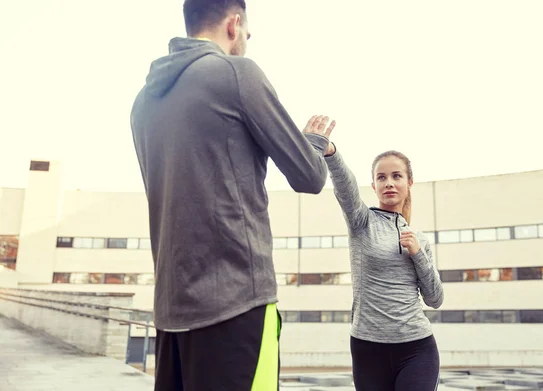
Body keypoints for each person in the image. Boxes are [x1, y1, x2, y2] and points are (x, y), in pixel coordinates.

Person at [130, 0, 336, 389]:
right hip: (237, 303)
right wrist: (313, 141)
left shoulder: (143, 103)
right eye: (246, 33)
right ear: (234, 23)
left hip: (171, 313)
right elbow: (309, 176)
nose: (245, 42)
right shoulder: (236, 73)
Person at [324, 141, 444, 391]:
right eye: (382, 177)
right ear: (374, 186)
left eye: (396, 176)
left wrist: (418, 254)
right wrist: (332, 154)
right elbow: (346, 190)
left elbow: (435, 299)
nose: (389, 182)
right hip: (368, 348)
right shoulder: (362, 222)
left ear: (409, 183)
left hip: (416, 348)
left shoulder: (419, 239)